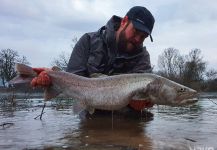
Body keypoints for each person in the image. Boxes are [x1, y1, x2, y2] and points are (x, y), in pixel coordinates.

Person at [31, 6, 155, 117]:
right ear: (124, 21)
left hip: (127, 123)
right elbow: (73, 81)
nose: (138, 39)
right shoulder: (88, 41)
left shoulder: (142, 57)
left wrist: (144, 101)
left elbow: (139, 104)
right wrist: (53, 76)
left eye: (143, 36)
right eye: (136, 32)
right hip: (90, 118)